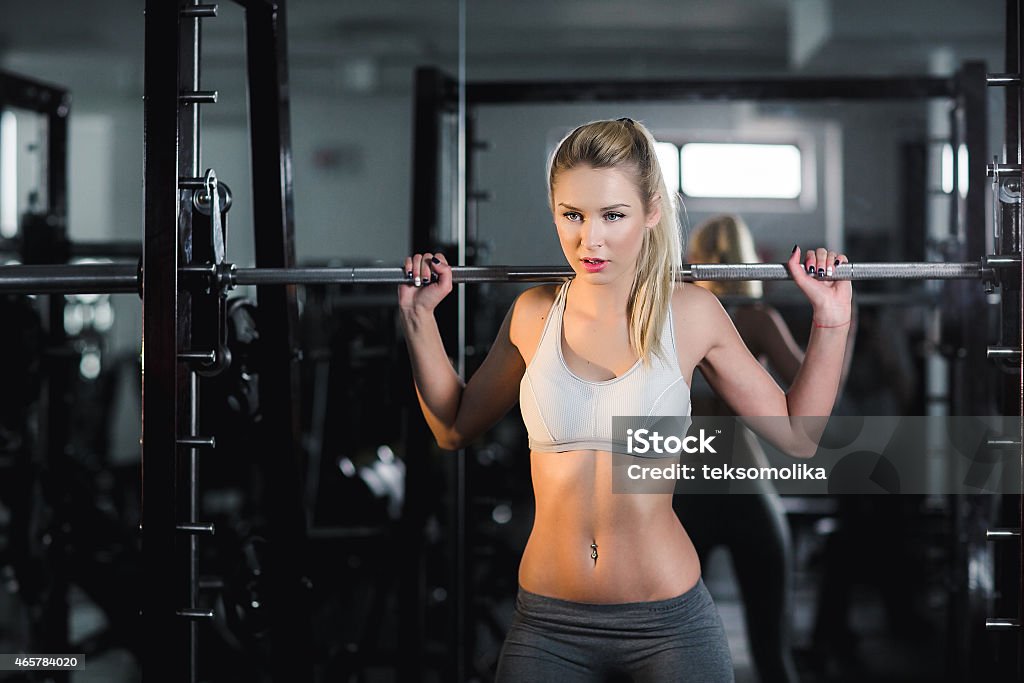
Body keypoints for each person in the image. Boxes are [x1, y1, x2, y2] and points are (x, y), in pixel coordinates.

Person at [397, 118, 853, 682]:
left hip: (669, 627)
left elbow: (797, 434)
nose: (591, 239)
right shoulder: (533, 314)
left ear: (651, 210)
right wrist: (420, 319)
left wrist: (831, 320)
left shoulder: (691, 314)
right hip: (547, 627)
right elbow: (454, 428)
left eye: (613, 215)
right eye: (573, 215)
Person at [675, 214, 855, 683]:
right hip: (738, 487)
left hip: (689, 490)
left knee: (672, 651)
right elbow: (817, 381)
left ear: (695, 258)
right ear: (747, 258)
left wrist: (838, 320)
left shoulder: (680, 315)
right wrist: (842, 333)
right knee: (770, 651)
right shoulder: (752, 320)